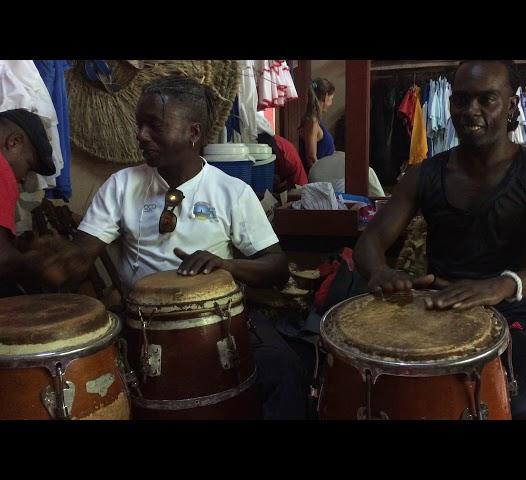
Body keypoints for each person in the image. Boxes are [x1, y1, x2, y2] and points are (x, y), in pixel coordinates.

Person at [33, 75, 308, 419]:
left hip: (215, 321)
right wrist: (61, 260)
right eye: (139, 125)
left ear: (193, 133)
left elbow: (276, 267)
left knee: (284, 370)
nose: (140, 135)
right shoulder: (121, 185)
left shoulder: (231, 191)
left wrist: (227, 266)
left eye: (154, 126)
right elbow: (83, 252)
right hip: (140, 323)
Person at [353, 60, 526, 419]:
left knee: (521, 409)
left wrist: (501, 286)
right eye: (461, 100)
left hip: (510, 309)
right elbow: (370, 241)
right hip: (438, 305)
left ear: (512, 106)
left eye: (486, 100)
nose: (470, 111)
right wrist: (379, 271)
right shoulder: (424, 174)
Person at [0, 109, 56, 297]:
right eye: (29, 166)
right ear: (14, 142)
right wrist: (40, 263)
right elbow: (2, 259)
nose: (24, 178)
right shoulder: (2, 170)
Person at [298, 77, 335, 171]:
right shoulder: (312, 122)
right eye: (331, 99)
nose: (331, 103)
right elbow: (311, 158)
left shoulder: (315, 121)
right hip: (316, 180)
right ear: (326, 97)